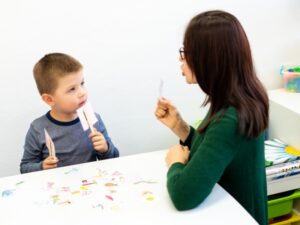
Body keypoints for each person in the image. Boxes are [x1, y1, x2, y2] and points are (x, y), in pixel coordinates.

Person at [155, 10, 268, 225]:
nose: (181, 59)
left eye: (186, 52)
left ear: (208, 58)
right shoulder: (237, 98)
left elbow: (183, 195)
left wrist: (175, 164)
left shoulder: (231, 116)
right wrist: (180, 127)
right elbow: (215, 149)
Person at [20, 53, 119, 173]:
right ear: (49, 99)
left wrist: (105, 149)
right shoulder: (38, 128)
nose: (82, 92)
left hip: (89, 185)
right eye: (72, 89)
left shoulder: (94, 119)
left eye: (82, 83)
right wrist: (41, 167)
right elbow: (25, 167)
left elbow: (114, 160)